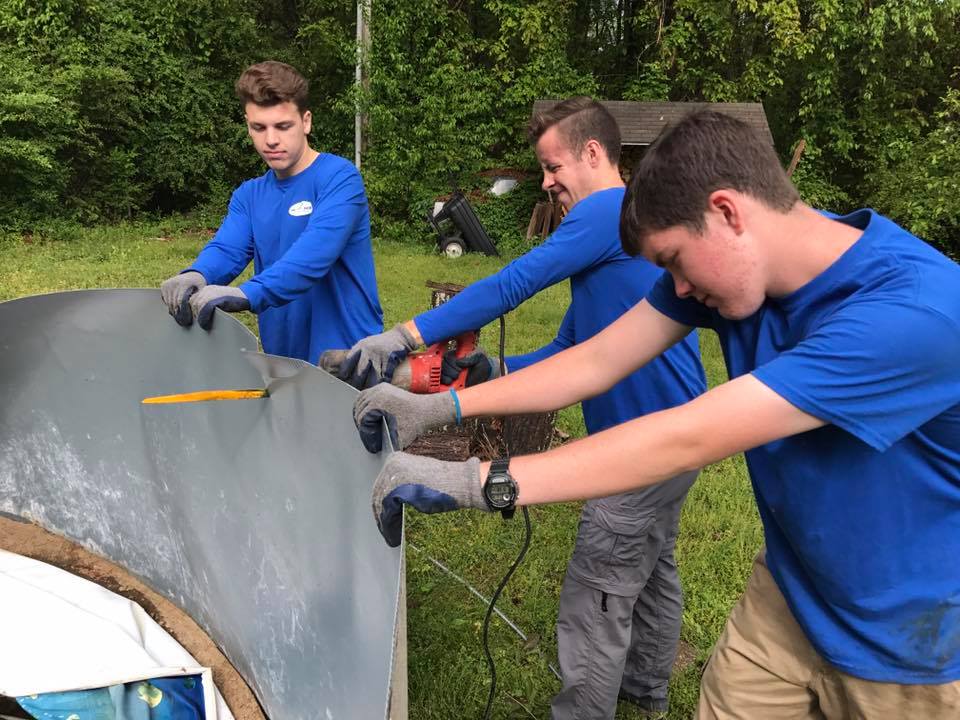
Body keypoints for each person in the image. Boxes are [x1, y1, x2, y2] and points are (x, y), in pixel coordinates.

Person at [353, 110, 960, 718]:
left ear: (727, 211)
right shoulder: (730, 269)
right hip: (792, 593)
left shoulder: (912, 316)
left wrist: (478, 481)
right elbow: (594, 361)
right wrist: (437, 406)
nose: (677, 287)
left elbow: (688, 436)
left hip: (912, 647)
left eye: (672, 260)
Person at [334, 97, 706, 717]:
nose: (546, 181)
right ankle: (646, 688)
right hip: (677, 434)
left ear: (593, 154)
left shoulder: (609, 211)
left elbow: (511, 285)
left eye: (552, 165)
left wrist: (405, 335)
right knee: (652, 561)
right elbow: (572, 348)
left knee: (599, 587)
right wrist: (494, 371)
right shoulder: (624, 229)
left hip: (639, 440)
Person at [159, 60, 382, 363]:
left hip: (349, 360)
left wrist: (248, 294)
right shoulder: (249, 195)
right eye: (259, 128)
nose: (271, 140)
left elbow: (312, 257)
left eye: (283, 126)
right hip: (284, 362)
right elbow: (227, 249)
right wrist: (198, 274)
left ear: (306, 122)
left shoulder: (339, 179)